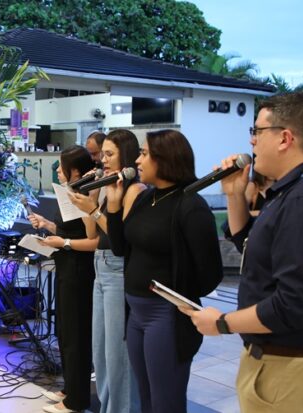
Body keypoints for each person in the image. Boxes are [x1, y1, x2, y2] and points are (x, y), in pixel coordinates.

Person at [183, 92, 303, 413]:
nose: (251, 141)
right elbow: (249, 243)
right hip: (285, 360)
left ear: (285, 138)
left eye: (257, 131)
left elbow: (292, 305)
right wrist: (235, 194)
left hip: (294, 365)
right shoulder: (297, 186)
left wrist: (222, 322)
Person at [99, 129, 222, 413]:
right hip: (136, 313)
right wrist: (113, 206)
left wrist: (178, 294)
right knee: (146, 397)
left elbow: (210, 274)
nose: (137, 160)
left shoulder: (191, 206)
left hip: (165, 316)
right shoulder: (147, 198)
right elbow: (120, 247)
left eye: (144, 154)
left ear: (164, 159)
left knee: (166, 401)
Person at [68, 129, 143, 413]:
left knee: (117, 355)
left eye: (109, 154)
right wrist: (91, 198)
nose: (103, 160)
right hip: (101, 267)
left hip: (118, 269)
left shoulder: (133, 190)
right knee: (100, 353)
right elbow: (93, 234)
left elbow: (120, 238)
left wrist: (96, 210)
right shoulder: (108, 186)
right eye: (103, 155)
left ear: (127, 156)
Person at [27, 145, 98, 413]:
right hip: (65, 266)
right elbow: (68, 230)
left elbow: (91, 239)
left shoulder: (87, 194)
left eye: (61, 166)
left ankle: (77, 399)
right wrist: (47, 225)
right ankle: (69, 388)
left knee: (76, 334)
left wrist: (64, 242)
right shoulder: (70, 192)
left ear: (76, 170)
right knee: (64, 331)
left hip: (79, 270)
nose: (57, 170)